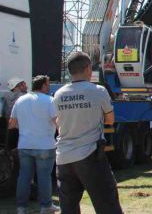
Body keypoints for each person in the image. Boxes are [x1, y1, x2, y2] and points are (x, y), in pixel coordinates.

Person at [53, 51, 122, 214]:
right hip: (90, 155)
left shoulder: (58, 94)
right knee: (107, 203)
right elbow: (110, 120)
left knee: (68, 208)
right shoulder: (98, 91)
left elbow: (57, 122)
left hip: (63, 157)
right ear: (89, 68)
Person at [9, 75, 59, 214]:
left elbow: (11, 124)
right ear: (43, 86)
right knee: (44, 177)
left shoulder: (21, 100)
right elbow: (57, 122)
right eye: (48, 84)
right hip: (45, 145)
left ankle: (21, 208)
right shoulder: (49, 100)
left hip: (25, 144)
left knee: (24, 176)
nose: (49, 87)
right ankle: (45, 206)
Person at [4, 77, 28, 150]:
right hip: (23, 131)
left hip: (10, 129)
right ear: (18, 86)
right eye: (24, 84)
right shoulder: (25, 97)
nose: (26, 86)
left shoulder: (5, 97)